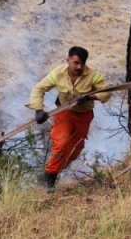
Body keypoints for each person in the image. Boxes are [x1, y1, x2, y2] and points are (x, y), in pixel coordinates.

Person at [28, 46, 111, 190]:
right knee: (62, 142)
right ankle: (50, 176)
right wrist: (38, 109)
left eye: (82, 63)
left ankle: (50, 174)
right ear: (68, 60)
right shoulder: (58, 73)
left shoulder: (93, 75)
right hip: (64, 112)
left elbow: (106, 94)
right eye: (76, 62)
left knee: (75, 150)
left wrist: (88, 97)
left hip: (84, 116)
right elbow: (39, 88)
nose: (79, 67)